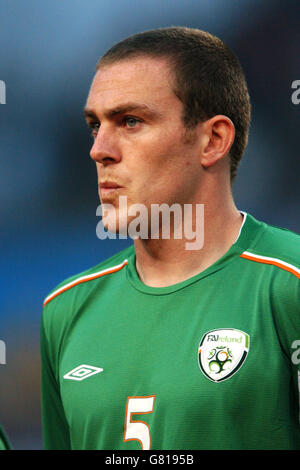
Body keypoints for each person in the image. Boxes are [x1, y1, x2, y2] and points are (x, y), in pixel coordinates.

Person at [41, 27, 300, 450]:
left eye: (130, 121)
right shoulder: (65, 310)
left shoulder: (289, 284)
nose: (99, 149)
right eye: (94, 126)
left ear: (213, 140)